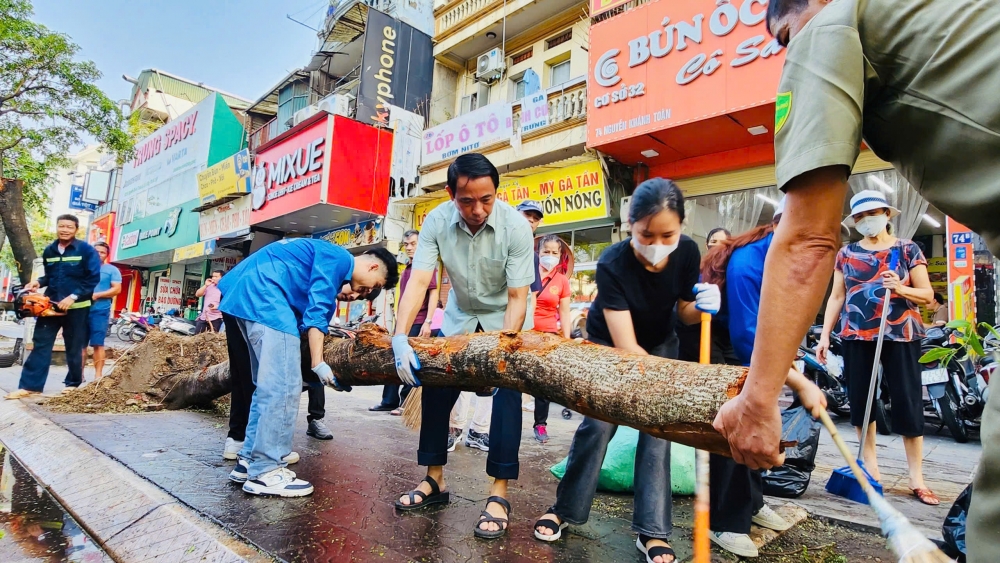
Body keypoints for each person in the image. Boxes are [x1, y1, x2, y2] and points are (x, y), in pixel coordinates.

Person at [719, 6, 1000, 556]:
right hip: (858, 338)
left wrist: (757, 402)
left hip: (900, 336)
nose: (787, 53)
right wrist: (821, 340)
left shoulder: (828, 25)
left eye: (783, 39)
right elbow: (833, 282)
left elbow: (806, 242)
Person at [533, 178, 721, 563]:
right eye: (645, 235)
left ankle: (652, 532)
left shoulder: (686, 252)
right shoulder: (613, 262)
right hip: (613, 346)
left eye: (667, 234)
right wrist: (651, 380)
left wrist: (700, 305)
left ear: (681, 227)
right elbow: (628, 347)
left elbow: (683, 311)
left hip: (660, 342)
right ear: (630, 227)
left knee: (656, 432)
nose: (656, 245)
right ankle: (565, 510)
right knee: (598, 425)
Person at [391, 153, 534, 539]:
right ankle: (434, 479)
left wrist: (503, 349)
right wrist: (400, 336)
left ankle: (498, 493)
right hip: (459, 318)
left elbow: (519, 296)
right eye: (467, 201)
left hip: (506, 320)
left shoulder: (517, 227)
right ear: (451, 194)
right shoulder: (436, 221)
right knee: (435, 386)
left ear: (496, 193)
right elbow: (420, 281)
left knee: (508, 396)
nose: (478, 209)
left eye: (486, 199)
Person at [219, 238, 397, 497]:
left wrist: (319, 370)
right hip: (266, 297)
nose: (367, 292)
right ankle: (267, 471)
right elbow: (316, 315)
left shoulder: (327, 259)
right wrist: (318, 364)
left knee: (266, 387)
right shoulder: (338, 258)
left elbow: (314, 316)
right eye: (376, 286)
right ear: (372, 268)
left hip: (248, 293)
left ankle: (249, 460)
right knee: (283, 387)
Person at [700, 198, 828, 557]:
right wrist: (797, 382)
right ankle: (726, 522)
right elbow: (747, 336)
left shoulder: (793, 263)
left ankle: (753, 503)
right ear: (780, 227)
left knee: (762, 411)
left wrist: (789, 367)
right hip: (715, 339)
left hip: (748, 344)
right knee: (740, 416)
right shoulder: (748, 261)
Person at [813, 191, 937, 504]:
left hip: (900, 334)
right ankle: (871, 471)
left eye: (872, 213)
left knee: (907, 401)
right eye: (859, 216)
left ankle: (916, 478)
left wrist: (899, 287)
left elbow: (926, 294)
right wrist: (826, 335)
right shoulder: (846, 253)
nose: (866, 220)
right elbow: (837, 297)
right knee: (861, 403)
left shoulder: (907, 249)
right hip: (856, 335)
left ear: (885, 213)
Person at [222, 282, 366, 460]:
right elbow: (314, 320)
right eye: (360, 290)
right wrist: (317, 362)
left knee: (245, 371)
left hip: (237, 293)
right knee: (272, 381)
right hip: (258, 299)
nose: (355, 297)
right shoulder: (332, 269)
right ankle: (264, 458)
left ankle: (241, 444)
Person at [6, 215, 100, 400]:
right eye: (61, 226)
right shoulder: (50, 250)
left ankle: (73, 384)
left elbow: (92, 279)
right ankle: (30, 386)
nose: (65, 230)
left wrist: (73, 297)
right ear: (57, 227)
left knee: (74, 346)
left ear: (76, 229)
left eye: (69, 227)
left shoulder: (86, 250)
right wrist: (37, 283)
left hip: (78, 307)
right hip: (50, 307)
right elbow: (49, 277)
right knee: (41, 343)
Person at [371, 230, 438, 413]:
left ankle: (406, 403)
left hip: (419, 320)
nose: (409, 247)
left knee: (411, 359)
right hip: (403, 322)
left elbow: (433, 293)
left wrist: (428, 321)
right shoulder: (407, 268)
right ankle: (388, 400)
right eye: (406, 244)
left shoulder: (426, 266)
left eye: (413, 244)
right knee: (394, 358)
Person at [529, 234, 572, 443]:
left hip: (547, 335)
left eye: (555, 252)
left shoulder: (562, 281)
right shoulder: (528, 272)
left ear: (560, 255)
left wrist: (567, 338)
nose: (550, 256)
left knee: (542, 382)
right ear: (539, 252)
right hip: (524, 332)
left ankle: (541, 425)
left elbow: (564, 312)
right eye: (546, 251)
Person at [85, 242, 121, 381]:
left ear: (107, 255)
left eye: (102, 252)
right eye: (96, 251)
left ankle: (98, 376)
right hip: (81, 311)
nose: (99, 254)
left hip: (100, 311)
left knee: (98, 344)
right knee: (79, 345)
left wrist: (97, 295)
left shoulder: (112, 270)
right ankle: (78, 376)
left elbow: (117, 289)